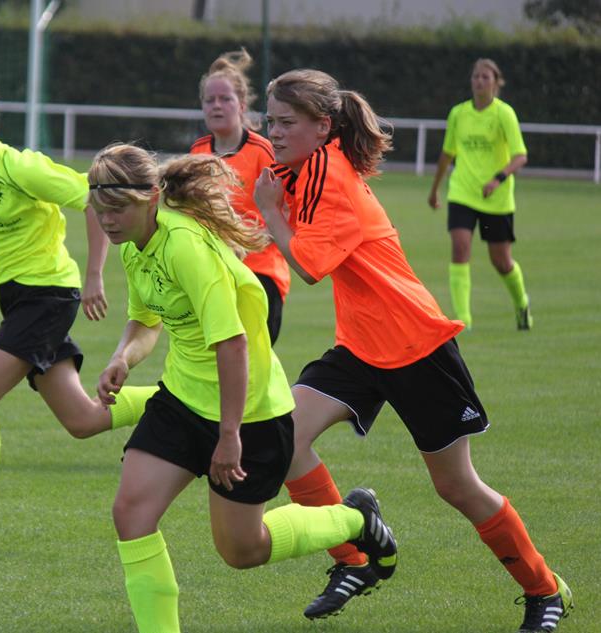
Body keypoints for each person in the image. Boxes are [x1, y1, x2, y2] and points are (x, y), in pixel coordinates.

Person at [254, 69, 572, 631]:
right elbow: (257, 192)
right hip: (360, 347)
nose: (274, 133)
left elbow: (306, 265)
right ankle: (357, 556)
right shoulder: (304, 165)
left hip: (415, 344)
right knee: (284, 438)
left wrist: (270, 214)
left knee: (456, 486)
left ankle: (545, 590)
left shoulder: (329, 173)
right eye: (270, 121)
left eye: (286, 122)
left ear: (323, 126)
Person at [89, 143, 397, 633]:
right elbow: (145, 320)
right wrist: (121, 358)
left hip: (249, 412)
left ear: (151, 198)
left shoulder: (185, 246)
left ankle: (356, 519)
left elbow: (232, 344)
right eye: (100, 210)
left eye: (118, 209)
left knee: (241, 550)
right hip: (183, 400)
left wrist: (229, 435)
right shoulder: (134, 243)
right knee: (131, 514)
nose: (108, 221)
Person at [0, 57, 154, 553]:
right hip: (16, 298)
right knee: (83, 421)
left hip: (48, 295)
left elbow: (94, 196)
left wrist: (93, 276)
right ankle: (179, 399)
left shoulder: (20, 167)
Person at [191, 48, 289, 343]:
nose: (216, 106)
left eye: (225, 99)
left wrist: (244, 241)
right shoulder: (198, 152)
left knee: (253, 363)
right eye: (210, 100)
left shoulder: (263, 151)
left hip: (260, 273)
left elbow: (287, 212)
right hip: (214, 274)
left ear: (242, 105)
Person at [427, 58, 531, 331]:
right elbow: (447, 154)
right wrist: (435, 188)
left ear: (496, 83)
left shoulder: (504, 114)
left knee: (501, 261)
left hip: (496, 199)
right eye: (476, 76)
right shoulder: (458, 113)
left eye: (485, 77)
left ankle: (521, 302)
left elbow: (520, 156)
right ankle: (464, 321)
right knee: (460, 248)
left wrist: (498, 178)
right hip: (462, 192)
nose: (479, 81)